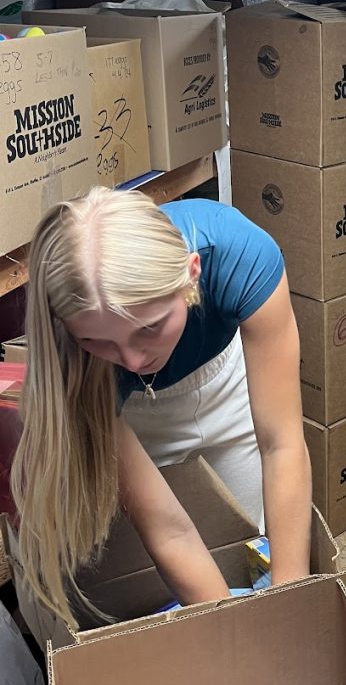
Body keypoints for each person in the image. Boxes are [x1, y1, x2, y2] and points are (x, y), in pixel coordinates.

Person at [11, 188, 312, 624]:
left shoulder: (239, 252)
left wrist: (292, 603)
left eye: (148, 328)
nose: (133, 359)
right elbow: (166, 526)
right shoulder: (72, 356)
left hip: (223, 379)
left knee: (254, 540)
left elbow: (282, 444)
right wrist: (236, 636)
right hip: (123, 406)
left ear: (192, 274)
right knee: (160, 578)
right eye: (97, 339)